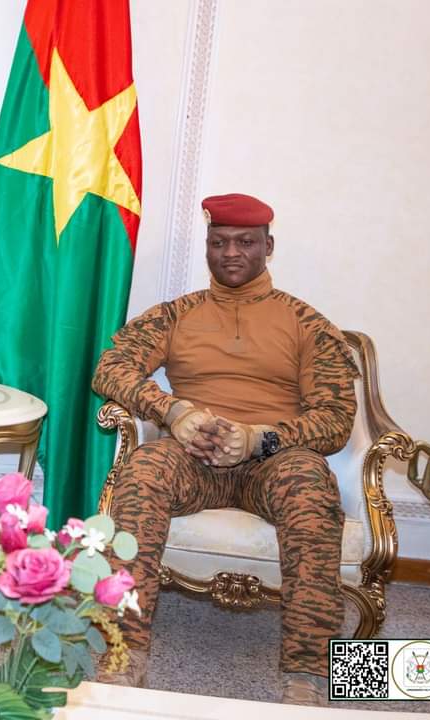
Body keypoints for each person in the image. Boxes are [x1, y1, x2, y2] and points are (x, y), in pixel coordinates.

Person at [92, 193, 357, 706]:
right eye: (219, 242)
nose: (231, 252)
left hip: (273, 460)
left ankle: (309, 673)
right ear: (208, 247)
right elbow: (111, 368)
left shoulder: (307, 324)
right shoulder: (176, 314)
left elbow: (335, 420)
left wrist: (262, 437)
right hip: (194, 457)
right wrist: (173, 412)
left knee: (309, 486)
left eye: (245, 242)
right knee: (144, 470)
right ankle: (124, 652)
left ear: (268, 247)